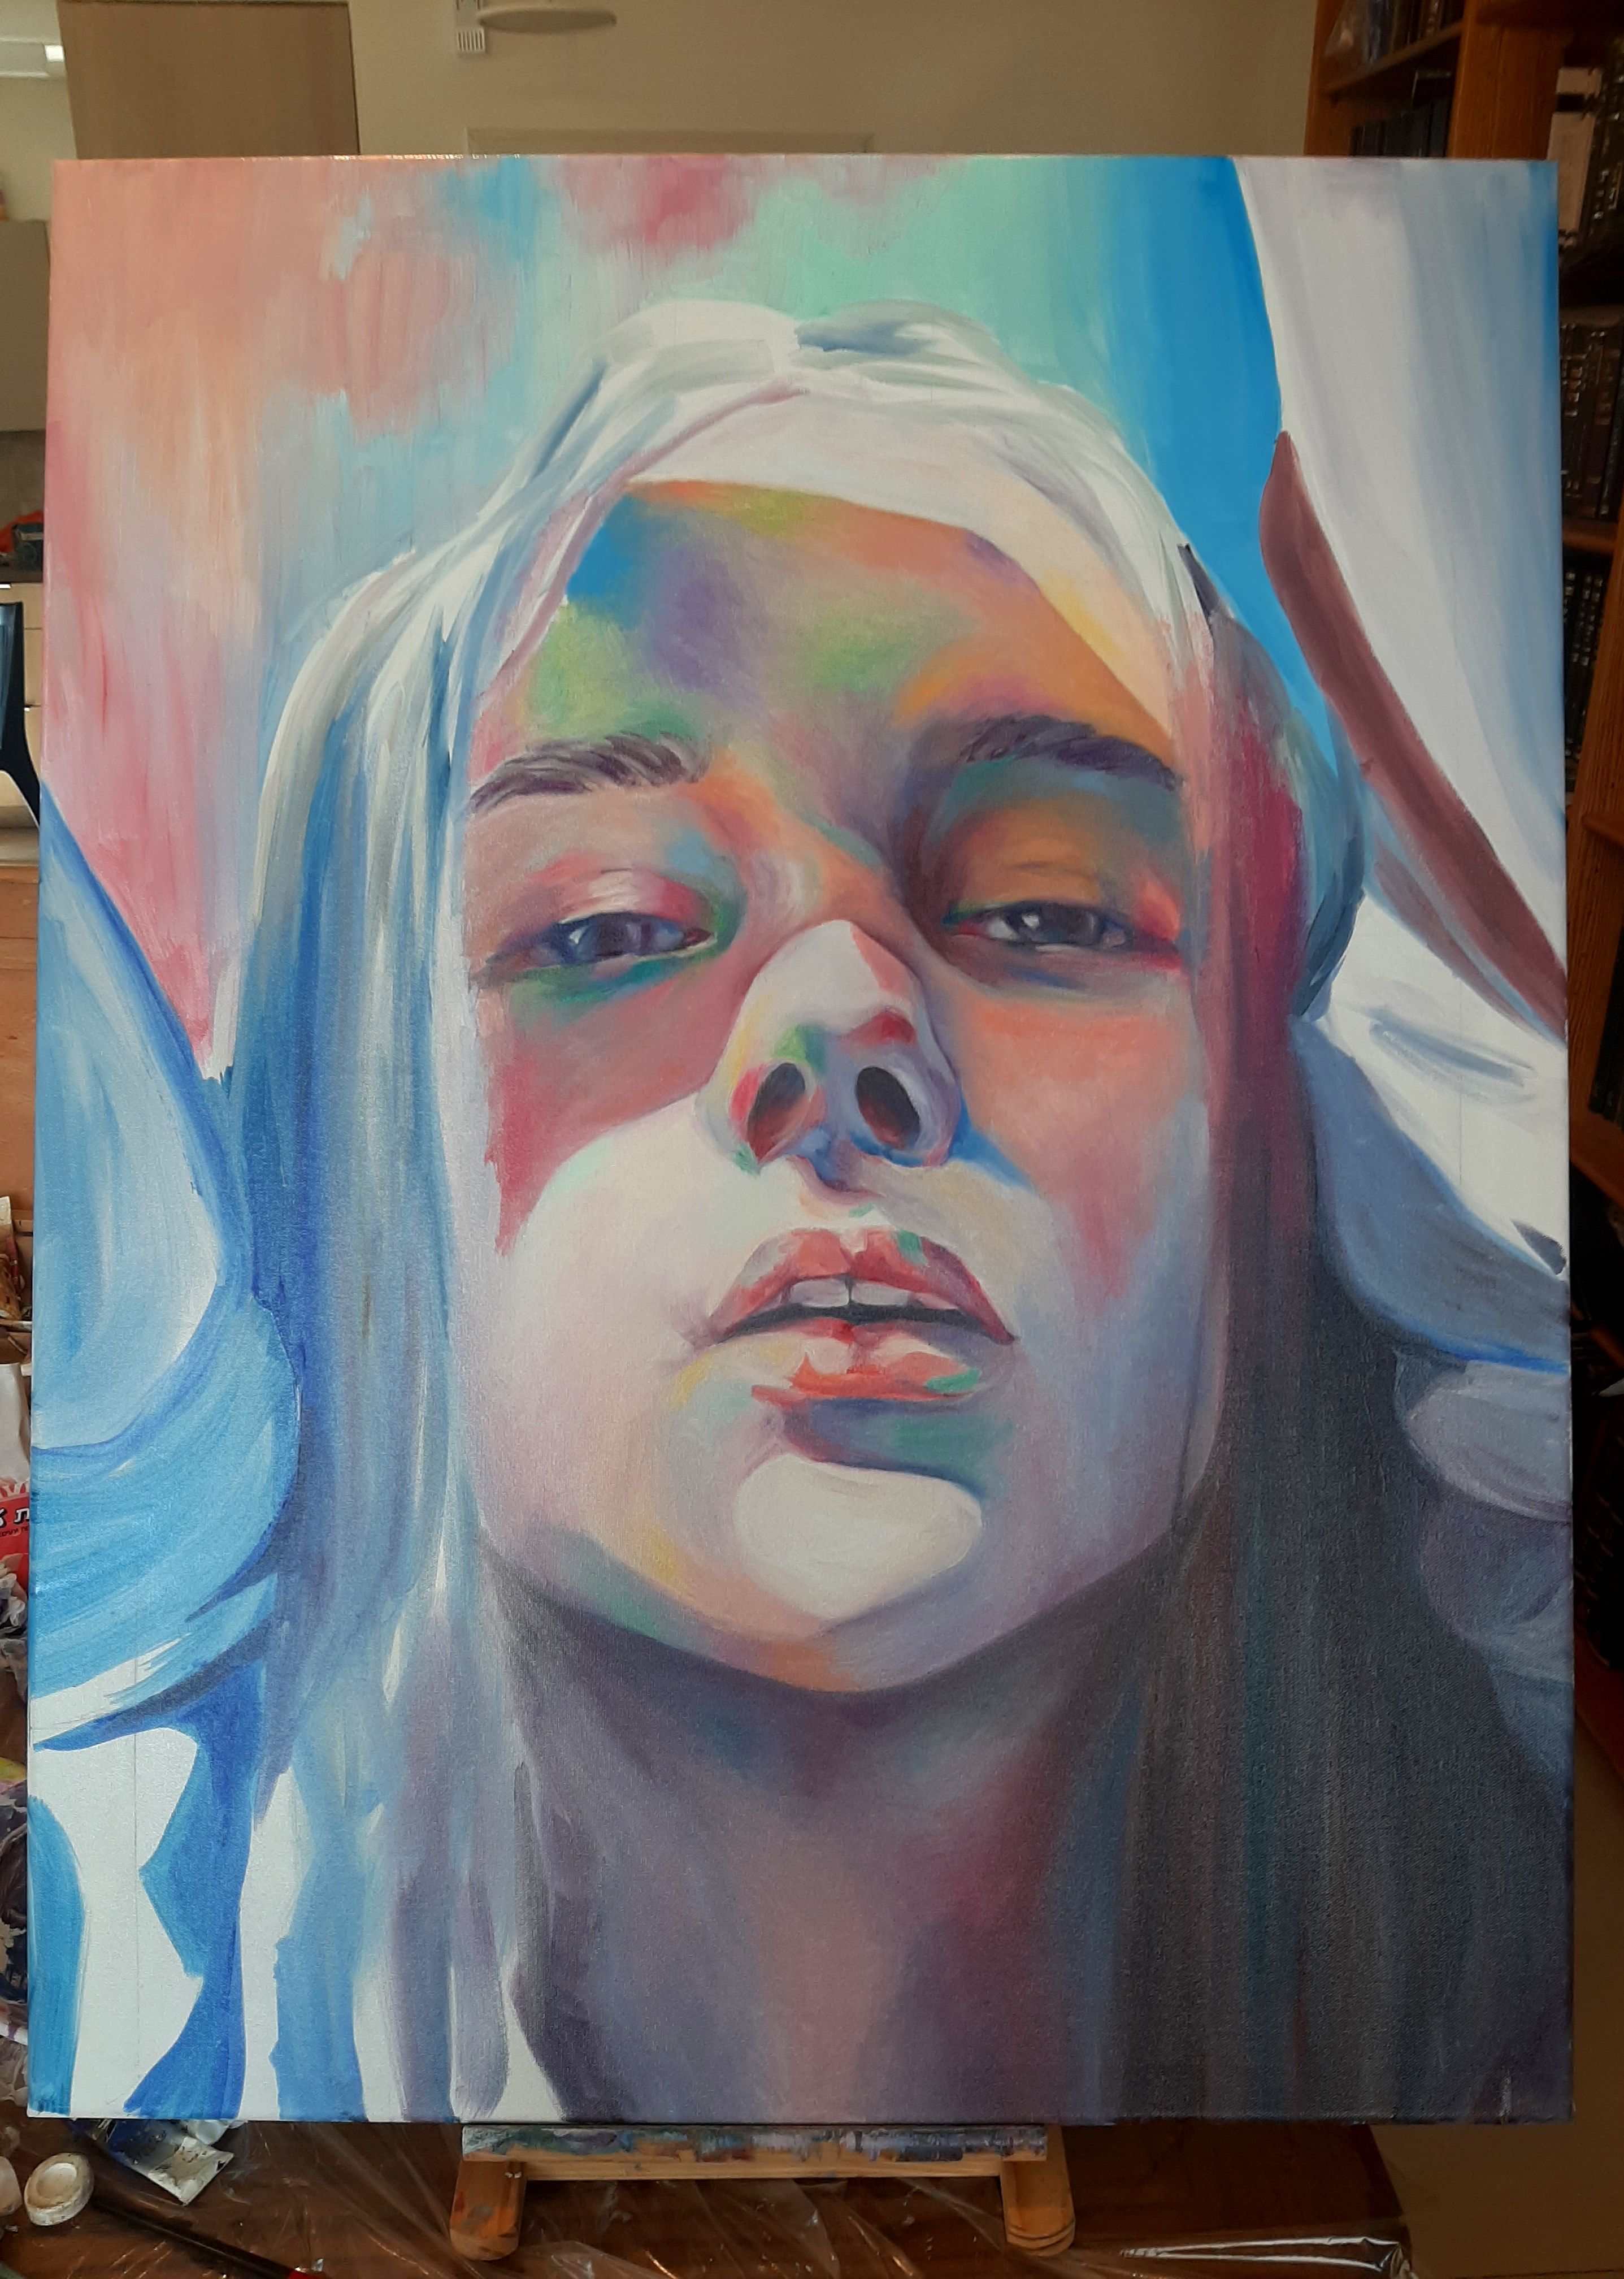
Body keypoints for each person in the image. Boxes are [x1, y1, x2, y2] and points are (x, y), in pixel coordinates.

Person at [32, 300, 1569, 2123]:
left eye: (1046, 909)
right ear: (367, 1124)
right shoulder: (125, 1954)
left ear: (1266, 1142)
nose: (844, 1023)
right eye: (605, 928)